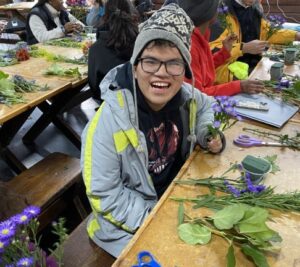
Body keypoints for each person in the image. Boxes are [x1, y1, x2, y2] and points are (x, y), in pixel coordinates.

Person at [81, 3, 225, 257]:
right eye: (150, 61)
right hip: (128, 226)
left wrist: (206, 132)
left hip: (176, 198)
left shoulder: (185, 96)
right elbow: (106, 197)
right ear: (135, 67)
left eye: (173, 64)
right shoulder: (106, 125)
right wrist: (159, 217)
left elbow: (207, 106)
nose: (161, 73)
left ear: (185, 72)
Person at [178, 0, 264, 96]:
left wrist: (224, 52)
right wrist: (239, 86)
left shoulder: (202, 34)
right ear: (210, 13)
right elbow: (197, 95)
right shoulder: (191, 46)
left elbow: (205, 66)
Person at [209, 0, 300, 84]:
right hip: (229, 75)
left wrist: (295, 35)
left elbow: (268, 32)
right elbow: (210, 52)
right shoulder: (220, 11)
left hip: (255, 66)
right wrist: (243, 48)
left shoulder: (254, 7)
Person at [88, 0, 139, 101]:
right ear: (131, 13)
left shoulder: (96, 49)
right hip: (138, 105)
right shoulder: (141, 44)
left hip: (108, 106)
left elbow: (94, 89)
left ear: (105, 15)